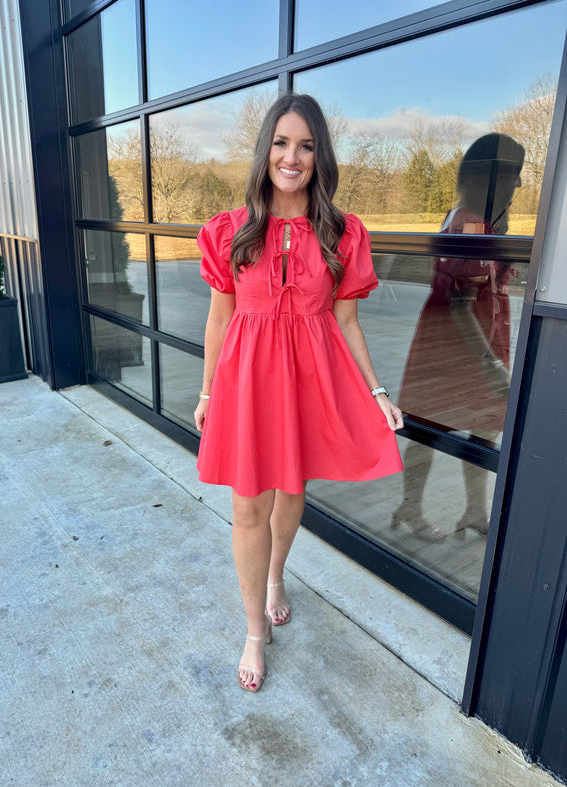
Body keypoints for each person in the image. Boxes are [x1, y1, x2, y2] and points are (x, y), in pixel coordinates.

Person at [193, 93, 403, 693]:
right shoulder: (229, 231)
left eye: (306, 145)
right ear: (266, 151)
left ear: (320, 156)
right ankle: (255, 632)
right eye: (282, 143)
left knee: (292, 487)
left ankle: (277, 575)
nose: (293, 157)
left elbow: (347, 322)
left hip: (307, 381)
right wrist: (208, 392)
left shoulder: (342, 232)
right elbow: (218, 321)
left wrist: (377, 389)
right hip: (246, 381)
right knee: (245, 504)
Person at [394, 133, 525, 541]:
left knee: (485, 427)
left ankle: (473, 511)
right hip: (455, 347)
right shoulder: (469, 222)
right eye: (511, 177)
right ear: (488, 179)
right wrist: (492, 365)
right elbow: (458, 304)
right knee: (429, 427)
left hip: (479, 342)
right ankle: (410, 508)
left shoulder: (487, 223)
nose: (517, 186)